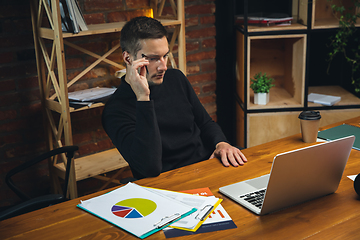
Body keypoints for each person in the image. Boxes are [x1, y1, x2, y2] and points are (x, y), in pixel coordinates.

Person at [102, 16, 247, 180]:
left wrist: (221, 144)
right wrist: (143, 98)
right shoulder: (115, 110)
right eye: (153, 58)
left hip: (207, 164)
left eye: (165, 56)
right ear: (128, 58)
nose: (163, 66)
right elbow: (149, 168)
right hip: (170, 183)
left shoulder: (176, 78)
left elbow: (205, 123)